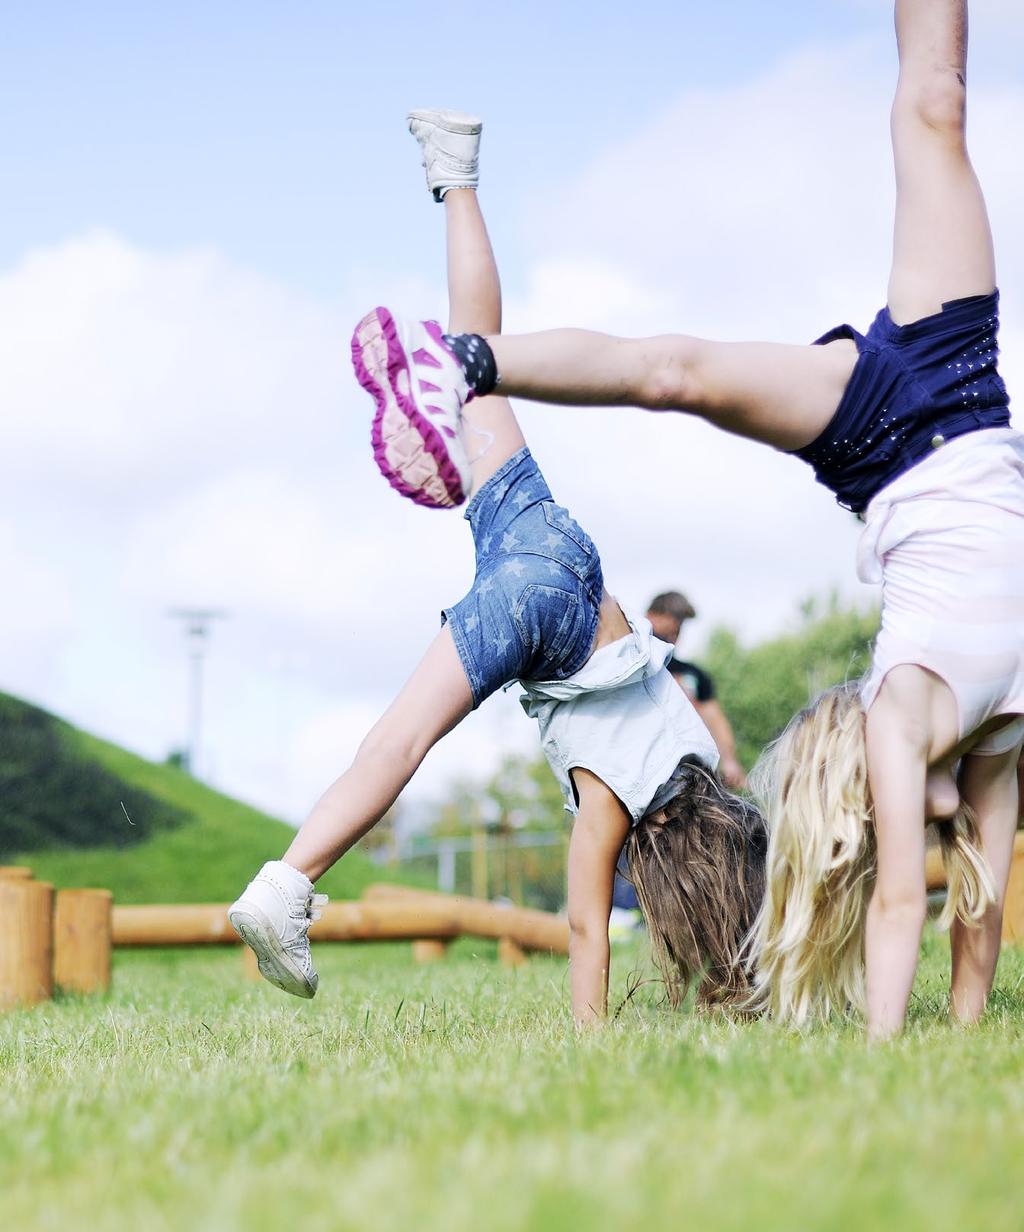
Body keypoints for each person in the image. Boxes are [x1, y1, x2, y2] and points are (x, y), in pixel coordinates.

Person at [365, 1, 1024, 1039]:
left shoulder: (902, 717)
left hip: (882, 445)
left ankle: (468, 363)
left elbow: (935, 907)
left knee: (675, 373)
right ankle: (469, 359)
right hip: (965, 381)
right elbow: (950, 917)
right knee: (934, 107)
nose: (935, 830)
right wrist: (937, 1030)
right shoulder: (990, 724)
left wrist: (897, 1050)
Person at [229, 110, 767, 1026]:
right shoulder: (613, 808)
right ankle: (286, 886)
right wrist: (594, 1037)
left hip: (566, 557)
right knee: (397, 744)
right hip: (532, 617)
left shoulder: (696, 757)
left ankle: (455, 173)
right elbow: (587, 930)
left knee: (481, 358)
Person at [646, 590, 746, 789]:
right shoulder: (629, 668)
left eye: (681, 623)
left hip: (683, 773)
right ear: (651, 616)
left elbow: (714, 718)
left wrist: (729, 760)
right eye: (674, 620)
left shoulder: (693, 675)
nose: (677, 629)